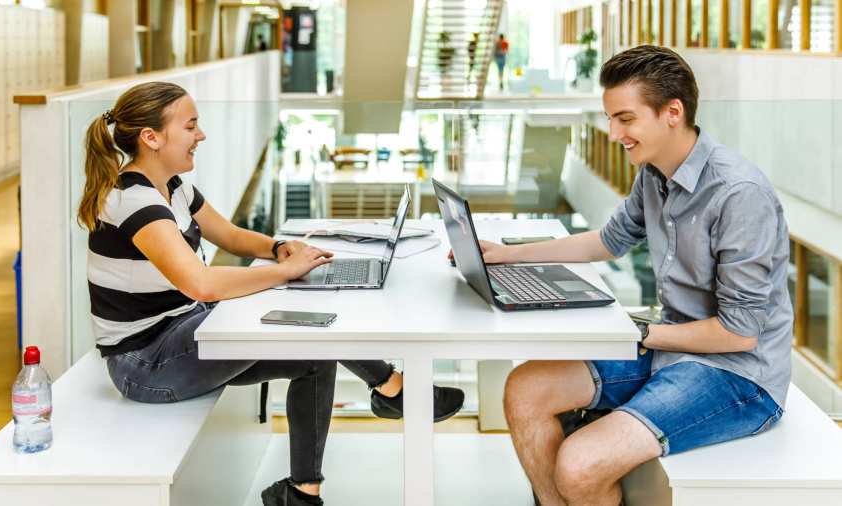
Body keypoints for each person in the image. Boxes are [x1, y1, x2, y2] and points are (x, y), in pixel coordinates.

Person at [79, 82, 464, 506]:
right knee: (289, 304)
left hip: (182, 330)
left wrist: (279, 248)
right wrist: (284, 273)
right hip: (146, 363)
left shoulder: (173, 186)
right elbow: (201, 283)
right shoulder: (133, 200)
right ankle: (394, 389)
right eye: (191, 126)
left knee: (314, 354)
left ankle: (302, 492)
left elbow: (228, 234)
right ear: (151, 138)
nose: (200, 136)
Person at [489, 46, 792, 506]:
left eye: (625, 119)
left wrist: (644, 332)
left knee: (579, 461)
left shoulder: (738, 194)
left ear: (673, 112)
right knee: (524, 389)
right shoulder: (654, 172)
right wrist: (507, 256)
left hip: (738, 376)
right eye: (611, 119)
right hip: (670, 346)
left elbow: (739, 334)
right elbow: (606, 242)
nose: (614, 133)